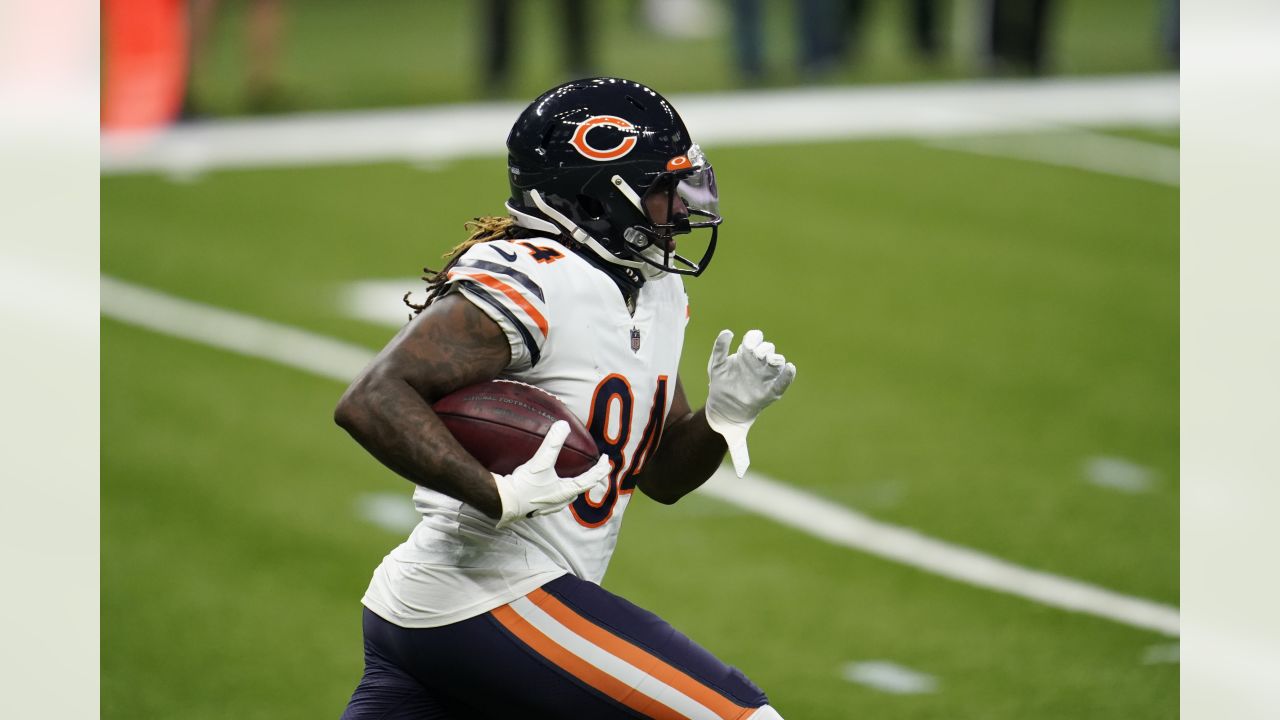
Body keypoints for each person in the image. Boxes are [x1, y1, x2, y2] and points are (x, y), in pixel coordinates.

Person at [335, 77, 796, 719]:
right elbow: (373, 398)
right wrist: (495, 493)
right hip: (489, 595)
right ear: (599, 194)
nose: (682, 208)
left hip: (439, 612)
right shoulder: (537, 276)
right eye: (663, 189)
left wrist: (725, 415)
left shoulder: (652, 290)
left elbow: (661, 476)